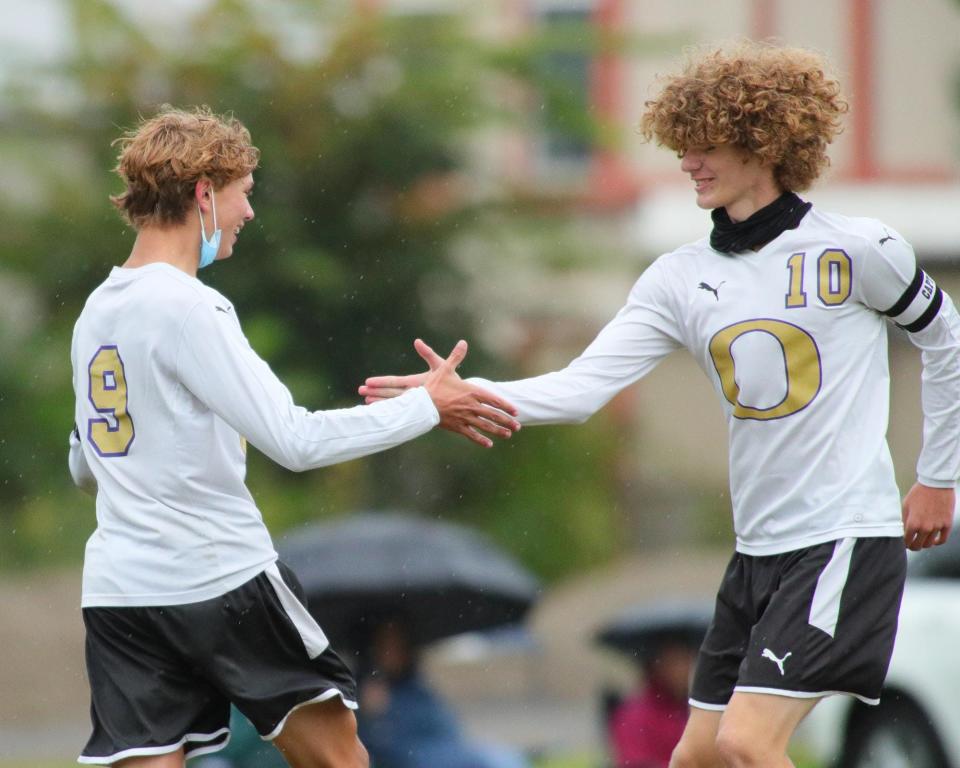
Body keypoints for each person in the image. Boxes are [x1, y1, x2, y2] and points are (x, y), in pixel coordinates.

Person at [359, 40, 960, 768]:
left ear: (763, 141)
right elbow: (580, 388)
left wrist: (938, 476)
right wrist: (453, 397)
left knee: (746, 744)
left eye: (705, 144)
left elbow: (946, 340)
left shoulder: (860, 249)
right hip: (757, 554)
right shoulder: (679, 277)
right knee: (695, 758)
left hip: (841, 541)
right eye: (682, 145)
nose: (688, 162)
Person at [68, 105, 520, 768]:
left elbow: (86, 465)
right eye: (243, 195)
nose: (249, 214)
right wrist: (426, 406)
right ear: (203, 195)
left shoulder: (97, 310)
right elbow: (296, 440)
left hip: (122, 591)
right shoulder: (191, 305)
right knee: (340, 760)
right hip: (218, 577)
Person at [354, 616, 530, 768]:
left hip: (446, 753)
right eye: (385, 644)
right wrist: (373, 717)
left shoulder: (415, 687)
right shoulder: (361, 694)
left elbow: (445, 730)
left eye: (398, 644)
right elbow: (370, 748)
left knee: (500, 758)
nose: (393, 652)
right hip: (409, 759)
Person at [607, 634, 700, 768]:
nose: (684, 671)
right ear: (656, 667)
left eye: (688, 662)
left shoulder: (694, 708)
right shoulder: (634, 714)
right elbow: (635, 761)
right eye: (675, 663)